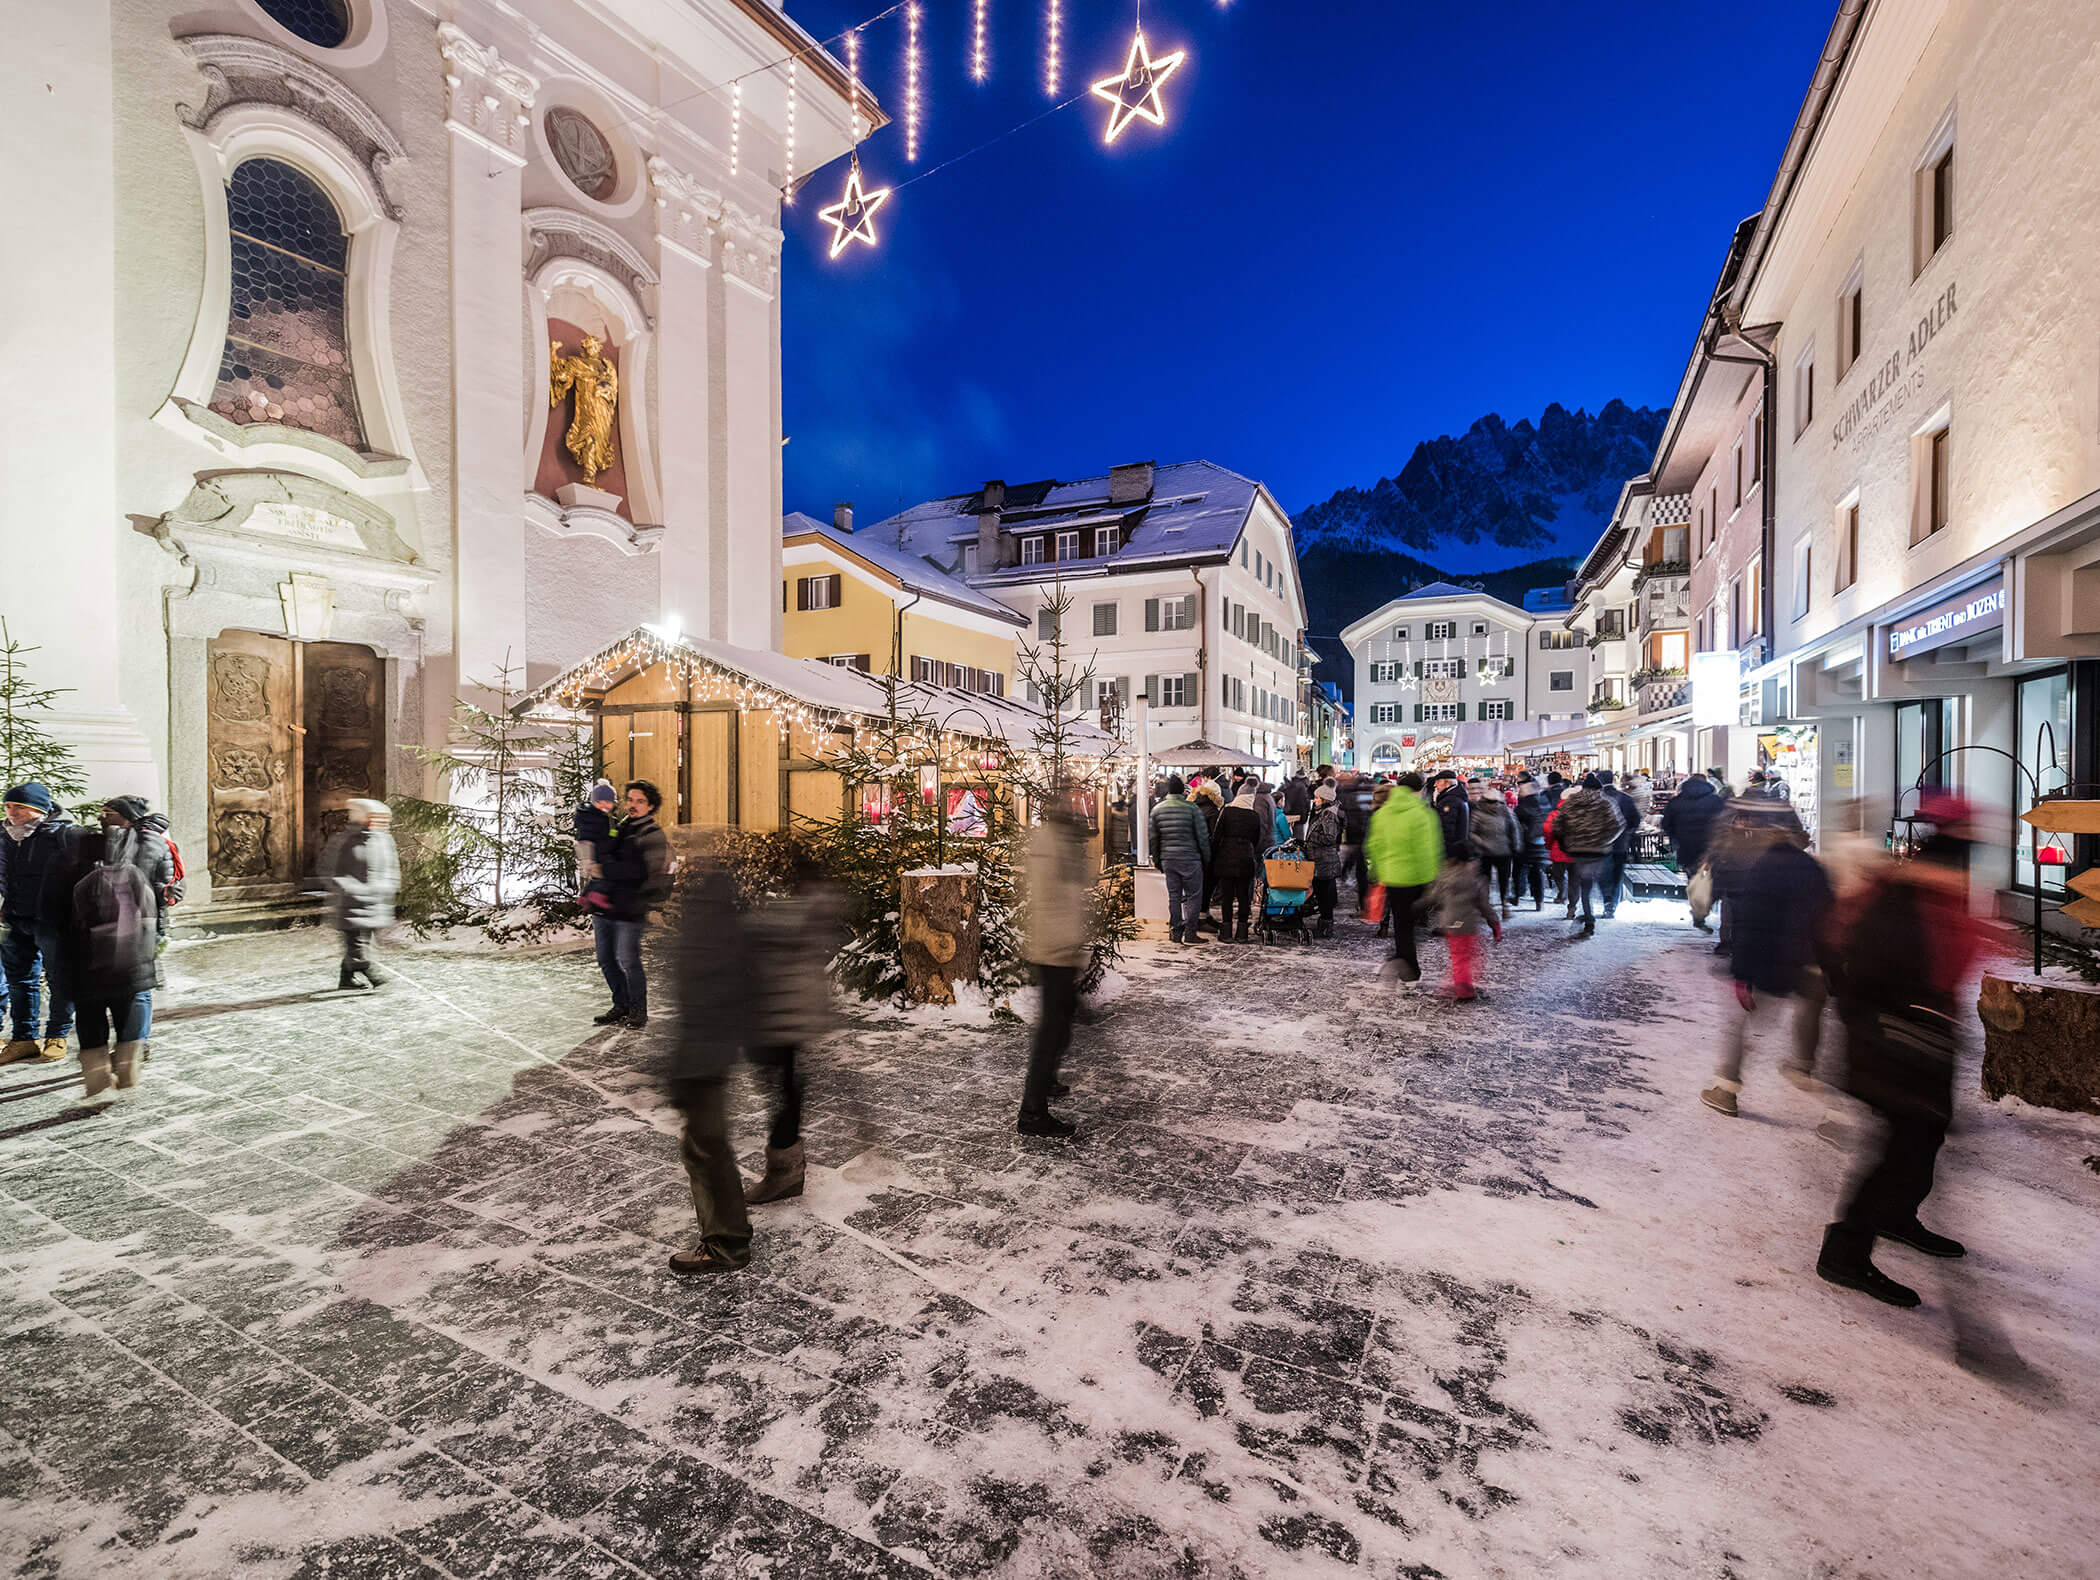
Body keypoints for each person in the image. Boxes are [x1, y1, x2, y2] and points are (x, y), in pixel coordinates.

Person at [1816, 797, 1988, 1308]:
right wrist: (1901, 1015)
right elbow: (1867, 966)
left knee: (1923, 1135)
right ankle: (1845, 1251)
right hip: (1895, 1040)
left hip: (1915, 1037)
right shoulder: (1905, 898)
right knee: (1902, 1146)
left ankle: (1896, 1215)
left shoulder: (1927, 890)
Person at [1700, 809, 1832, 1118]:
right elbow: (1827, 914)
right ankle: (1803, 1067)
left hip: (1773, 961)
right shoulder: (1812, 866)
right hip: (1808, 959)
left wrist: (1742, 973)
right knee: (1810, 1013)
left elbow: (1752, 923)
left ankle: (1726, 1089)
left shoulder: (1764, 867)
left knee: (1741, 1023)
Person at [739, 852, 843, 1205]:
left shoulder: (798, 912)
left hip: (783, 1012)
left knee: (782, 1088)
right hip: (789, 1011)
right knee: (783, 1085)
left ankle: (784, 1172)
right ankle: (786, 1169)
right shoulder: (809, 908)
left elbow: (768, 942)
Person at [667, 861, 754, 1275]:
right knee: (706, 1146)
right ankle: (728, 1237)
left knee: (706, 1149)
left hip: (703, 1059)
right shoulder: (723, 929)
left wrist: (685, 1067)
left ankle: (726, 1244)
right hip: (710, 1055)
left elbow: (702, 1005)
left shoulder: (705, 934)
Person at [48, 814, 160, 1099]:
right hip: (131, 962)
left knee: (89, 1015)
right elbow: (151, 916)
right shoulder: (134, 872)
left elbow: (54, 920)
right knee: (128, 1011)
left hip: (86, 964)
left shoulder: (69, 871)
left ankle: (96, 1073)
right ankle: (128, 1063)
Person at [1019, 805, 1091, 1137]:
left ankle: (1045, 1083)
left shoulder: (1056, 841)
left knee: (1060, 1019)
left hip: (1057, 948)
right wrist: (1067, 944)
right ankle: (1032, 1112)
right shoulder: (1053, 844)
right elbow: (1053, 899)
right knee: (1051, 1030)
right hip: (1054, 950)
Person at [1, 782, 77, 1065]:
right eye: (8, 806)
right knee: (20, 980)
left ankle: (57, 1035)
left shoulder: (63, 835)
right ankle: (24, 1039)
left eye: (19, 807)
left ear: (39, 809)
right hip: (14, 917)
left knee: (60, 979)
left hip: (53, 921)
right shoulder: (4, 835)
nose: (12, 812)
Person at [97, 797, 180, 1049]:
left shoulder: (150, 844)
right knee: (123, 985)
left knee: (138, 987)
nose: (101, 818)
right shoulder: (110, 839)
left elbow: (168, 887)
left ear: (126, 817)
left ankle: (137, 1044)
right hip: (112, 923)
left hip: (143, 924)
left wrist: (159, 895)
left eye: (108, 813)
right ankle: (131, 1041)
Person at [594, 780, 673, 1029]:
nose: (633, 805)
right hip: (605, 904)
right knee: (606, 959)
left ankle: (638, 1010)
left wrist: (608, 869)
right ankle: (622, 1005)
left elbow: (642, 872)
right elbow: (603, 854)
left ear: (650, 806)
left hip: (630, 907)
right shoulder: (621, 827)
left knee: (628, 960)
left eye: (640, 801)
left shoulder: (652, 834)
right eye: (630, 799)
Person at [1364, 770, 1442, 983]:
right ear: (1420, 790)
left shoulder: (1382, 814)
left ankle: (1403, 961)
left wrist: (1375, 872)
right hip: (1417, 879)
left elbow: (1373, 846)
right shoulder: (1423, 815)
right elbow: (1428, 851)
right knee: (1412, 926)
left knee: (1402, 924)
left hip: (1392, 877)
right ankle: (1406, 966)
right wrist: (1433, 879)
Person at [319, 799, 400, 990]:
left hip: (376, 903)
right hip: (351, 903)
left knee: (363, 943)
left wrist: (389, 884)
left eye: (385, 818)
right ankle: (372, 974)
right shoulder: (344, 841)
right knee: (357, 944)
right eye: (378, 817)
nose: (384, 822)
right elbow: (330, 870)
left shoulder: (384, 840)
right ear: (365, 818)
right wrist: (352, 888)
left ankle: (346, 979)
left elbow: (391, 867)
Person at [1553, 773, 1624, 937]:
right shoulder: (1606, 803)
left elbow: (1557, 826)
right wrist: (1606, 841)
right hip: (1598, 851)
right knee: (1595, 882)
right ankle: (1598, 911)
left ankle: (1588, 919)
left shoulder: (1571, 803)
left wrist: (1566, 844)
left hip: (1577, 850)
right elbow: (1618, 825)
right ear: (1599, 789)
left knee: (1584, 885)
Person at [1148, 775, 1211, 945]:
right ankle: (1190, 933)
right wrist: (1206, 858)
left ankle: (1175, 932)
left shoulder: (1157, 810)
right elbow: (1202, 837)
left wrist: (1158, 860)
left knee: (1174, 896)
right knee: (1193, 896)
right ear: (1183, 790)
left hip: (1169, 859)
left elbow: (1153, 839)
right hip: (1191, 859)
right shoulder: (1192, 808)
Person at [1431, 854, 1501, 1002]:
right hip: (1465, 924)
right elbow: (1484, 906)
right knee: (1465, 958)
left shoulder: (1444, 876)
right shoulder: (1475, 880)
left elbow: (1433, 896)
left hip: (1450, 923)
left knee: (1459, 956)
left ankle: (1456, 984)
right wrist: (1495, 923)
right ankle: (1464, 990)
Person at [1660, 771, 1724, 930]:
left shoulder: (1676, 802)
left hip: (1686, 847)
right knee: (1713, 880)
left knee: (1694, 880)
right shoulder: (1716, 801)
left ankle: (1698, 910)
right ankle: (1702, 910)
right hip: (1710, 848)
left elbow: (1666, 824)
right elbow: (1724, 824)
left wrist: (1677, 838)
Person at [1211, 787, 1265, 943]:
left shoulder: (1227, 812)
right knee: (1243, 897)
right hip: (1245, 859)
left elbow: (1217, 835)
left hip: (1226, 858)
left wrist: (1214, 855)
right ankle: (1242, 933)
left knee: (1227, 897)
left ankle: (1226, 932)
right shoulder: (1254, 816)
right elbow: (1257, 839)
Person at [1301, 782, 1346, 938]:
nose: (1314, 800)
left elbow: (1329, 838)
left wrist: (1311, 839)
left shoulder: (1329, 815)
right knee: (1321, 894)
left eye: (1317, 798)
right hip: (1321, 860)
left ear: (1324, 799)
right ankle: (1325, 924)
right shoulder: (1323, 812)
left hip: (1324, 861)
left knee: (1324, 895)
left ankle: (1326, 926)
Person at [1468, 780, 1518, 919]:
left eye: (1495, 802)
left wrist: (1515, 845)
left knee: (1502, 880)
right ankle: (1488, 906)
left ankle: (1503, 905)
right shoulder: (1480, 813)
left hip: (1502, 852)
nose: (1494, 805)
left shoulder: (1505, 812)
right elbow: (1472, 832)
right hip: (1488, 853)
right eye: (1491, 802)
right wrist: (1481, 843)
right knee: (1487, 880)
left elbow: (1514, 829)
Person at [1594, 769, 1641, 917]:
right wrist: (1627, 833)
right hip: (1621, 843)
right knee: (1617, 873)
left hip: (1601, 844)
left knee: (1603, 873)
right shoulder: (1626, 798)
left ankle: (1608, 900)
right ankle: (1613, 903)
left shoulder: (1596, 799)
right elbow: (1635, 820)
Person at [573, 779, 620, 912]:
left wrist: (615, 833)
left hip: (599, 849)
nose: (604, 805)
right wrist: (587, 858)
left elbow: (610, 832)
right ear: (593, 802)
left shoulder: (606, 817)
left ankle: (585, 896)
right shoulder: (592, 817)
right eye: (600, 802)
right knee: (606, 873)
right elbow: (586, 836)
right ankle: (598, 896)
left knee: (596, 877)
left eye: (608, 802)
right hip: (594, 850)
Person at [1191, 779, 1225, 933]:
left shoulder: (1194, 806)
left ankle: (1204, 915)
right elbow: (1215, 836)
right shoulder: (1213, 811)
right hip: (1207, 855)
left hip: (1193, 853)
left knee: (1198, 887)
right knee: (1206, 887)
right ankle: (1202, 918)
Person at [1511, 773, 1549, 911]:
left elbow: (1516, 825)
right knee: (1537, 873)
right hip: (1542, 843)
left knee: (1519, 870)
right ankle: (1539, 901)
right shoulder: (1543, 802)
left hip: (1526, 843)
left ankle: (1517, 895)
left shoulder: (1522, 806)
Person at [1339, 771, 1373, 912]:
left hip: (1356, 838)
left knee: (1361, 871)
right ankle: (1366, 903)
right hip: (1366, 837)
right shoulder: (1370, 796)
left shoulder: (1351, 797)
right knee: (1364, 870)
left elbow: (1348, 818)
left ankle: (1364, 904)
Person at [1430, 770, 1472, 861]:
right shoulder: (1457, 796)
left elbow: (1447, 829)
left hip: (1451, 852)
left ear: (1447, 783)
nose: (1435, 785)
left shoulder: (1450, 801)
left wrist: (1443, 852)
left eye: (1438, 782)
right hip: (1457, 849)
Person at [1280, 769, 1312, 839]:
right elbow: (1306, 802)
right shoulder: (1304, 787)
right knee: (1298, 836)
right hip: (1300, 814)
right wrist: (1307, 812)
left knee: (1286, 834)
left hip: (1288, 812)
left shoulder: (1289, 785)